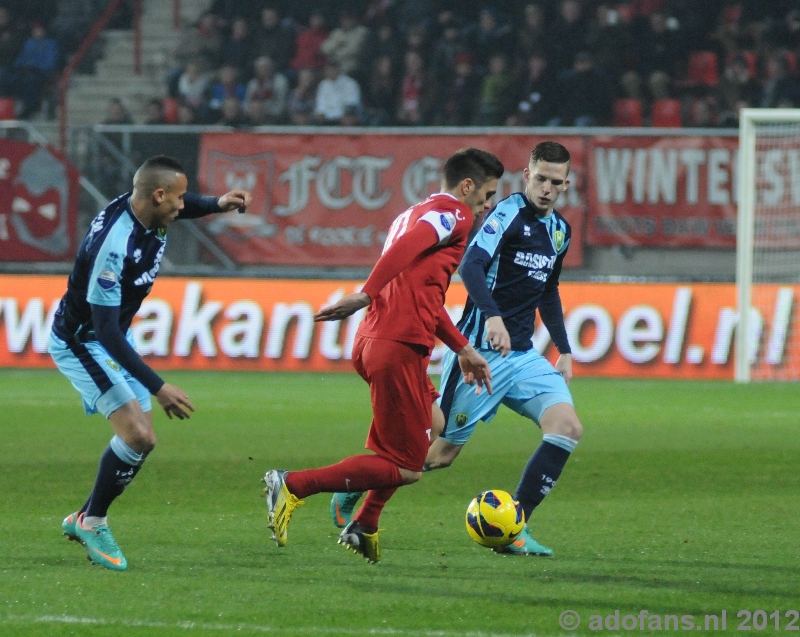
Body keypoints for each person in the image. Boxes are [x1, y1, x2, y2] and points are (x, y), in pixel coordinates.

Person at [331, 141, 583, 557]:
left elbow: (549, 290)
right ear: (527, 177)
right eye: (540, 179)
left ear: (566, 184)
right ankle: (358, 484)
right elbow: (471, 265)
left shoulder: (559, 231)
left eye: (556, 182)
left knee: (568, 429)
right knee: (439, 451)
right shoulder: (505, 214)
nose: (546, 188)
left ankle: (514, 528)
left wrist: (565, 348)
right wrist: (494, 316)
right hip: (480, 352)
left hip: (523, 357)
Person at [262, 148, 505, 563]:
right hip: (397, 345)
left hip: (378, 340)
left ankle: (365, 523)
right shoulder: (456, 214)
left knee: (436, 423)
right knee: (408, 466)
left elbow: (426, 295)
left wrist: (462, 348)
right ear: (467, 187)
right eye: (487, 195)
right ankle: (292, 484)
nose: (487, 207)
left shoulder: (412, 212)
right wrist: (365, 292)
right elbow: (412, 247)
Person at [50, 155, 252, 571]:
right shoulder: (114, 245)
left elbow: (183, 202)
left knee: (138, 441)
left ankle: (82, 517)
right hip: (82, 342)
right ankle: (93, 520)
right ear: (157, 196)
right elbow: (104, 333)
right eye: (177, 199)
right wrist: (160, 387)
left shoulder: (146, 207)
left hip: (111, 338)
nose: (182, 207)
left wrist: (216, 203)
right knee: (140, 438)